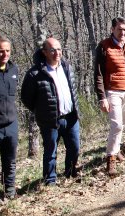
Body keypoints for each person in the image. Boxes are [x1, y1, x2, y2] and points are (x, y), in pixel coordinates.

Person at [21, 37, 80, 186]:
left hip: (71, 116)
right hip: (50, 120)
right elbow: (26, 98)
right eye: (52, 50)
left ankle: (70, 172)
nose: (57, 53)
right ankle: (50, 181)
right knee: (50, 152)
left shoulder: (66, 67)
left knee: (74, 147)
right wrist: (41, 110)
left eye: (59, 49)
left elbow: (73, 90)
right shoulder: (35, 73)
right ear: (44, 52)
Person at [94, 17, 125, 177]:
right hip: (112, 91)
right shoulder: (104, 46)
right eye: (120, 29)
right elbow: (98, 73)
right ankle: (110, 158)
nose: (123, 32)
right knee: (116, 125)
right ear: (112, 29)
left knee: (123, 123)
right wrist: (102, 97)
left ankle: (117, 149)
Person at [0, 36, 18, 199]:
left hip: (11, 124)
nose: (4, 54)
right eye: (0, 51)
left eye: (7, 50)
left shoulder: (14, 69)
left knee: (10, 161)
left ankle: (10, 192)